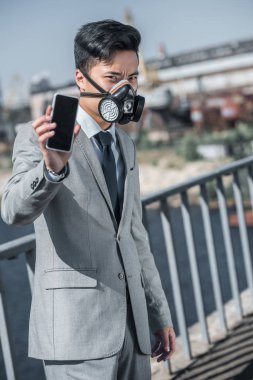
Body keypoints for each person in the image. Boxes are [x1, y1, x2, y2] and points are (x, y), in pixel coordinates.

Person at [1, 19, 175, 380]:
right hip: (76, 333)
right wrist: (51, 170)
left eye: (133, 77)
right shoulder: (38, 137)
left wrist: (159, 316)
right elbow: (13, 210)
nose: (126, 89)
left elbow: (135, 235)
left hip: (133, 326)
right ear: (81, 78)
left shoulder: (124, 143)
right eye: (113, 78)